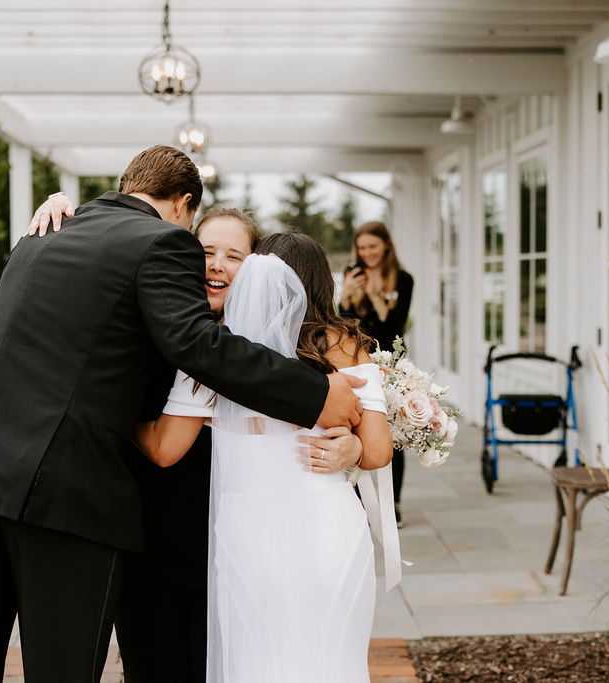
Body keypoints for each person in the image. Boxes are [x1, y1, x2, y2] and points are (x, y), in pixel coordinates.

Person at [0, 146, 366, 682]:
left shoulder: (44, 232)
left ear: (126, 185)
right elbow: (195, 344)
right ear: (184, 207)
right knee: (62, 669)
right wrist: (314, 394)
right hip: (60, 489)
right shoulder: (161, 241)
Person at [26, 200, 363, 682]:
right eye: (204, 250)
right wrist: (68, 208)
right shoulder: (146, 318)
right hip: (152, 539)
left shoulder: (284, 348)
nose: (216, 265)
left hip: (239, 551)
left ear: (260, 271)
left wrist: (349, 450)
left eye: (234, 255)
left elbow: (346, 419)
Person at [136, 233, 395, 683]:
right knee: (334, 659)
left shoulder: (216, 353)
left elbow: (165, 448)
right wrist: (351, 446)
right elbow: (376, 452)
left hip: (249, 531)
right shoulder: (345, 345)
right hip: (329, 524)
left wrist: (115, 417)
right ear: (321, 284)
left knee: (256, 660)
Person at [339, 221, 414, 527]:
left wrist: (375, 295)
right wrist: (346, 295)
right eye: (362, 247)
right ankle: (356, 499)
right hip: (356, 358)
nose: (367, 253)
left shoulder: (404, 279)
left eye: (372, 246)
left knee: (393, 432)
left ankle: (392, 503)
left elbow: (394, 326)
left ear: (386, 245)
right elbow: (342, 320)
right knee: (357, 427)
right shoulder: (352, 273)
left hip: (390, 360)